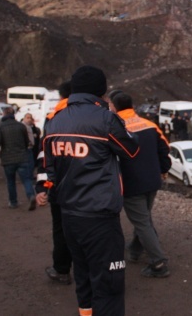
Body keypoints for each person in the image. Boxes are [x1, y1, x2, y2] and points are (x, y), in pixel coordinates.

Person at [42, 65, 139, 316]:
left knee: (84, 278)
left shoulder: (53, 121)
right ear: (101, 90)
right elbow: (131, 150)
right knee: (109, 284)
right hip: (99, 217)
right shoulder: (105, 119)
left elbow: (50, 168)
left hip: (69, 215)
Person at [112, 92, 172, 278]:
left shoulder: (113, 129)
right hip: (152, 181)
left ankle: (159, 262)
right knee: (144, 218)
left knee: (143, 222)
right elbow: (165, 149)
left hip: (131, 184)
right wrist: (163, 169)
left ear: (114, 107)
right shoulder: (149, 125)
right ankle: (135, 250)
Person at [36, 81, 73, 285]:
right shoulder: (98, 116)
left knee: (61, 229)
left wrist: (42, 187)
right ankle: (97, 274)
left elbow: (45, 156)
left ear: (61, 97)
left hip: (60, 188)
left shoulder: (52, 119)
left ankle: (62, 270)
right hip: (91, 188)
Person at [0, 107, 36, 210]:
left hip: (8, 158)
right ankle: (31, 196)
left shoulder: (0, 127)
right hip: (22, 156)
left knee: (10, 181)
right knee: (26, 179)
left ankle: (13, 202)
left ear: (4, 114)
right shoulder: (21, 126)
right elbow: (26, 141)